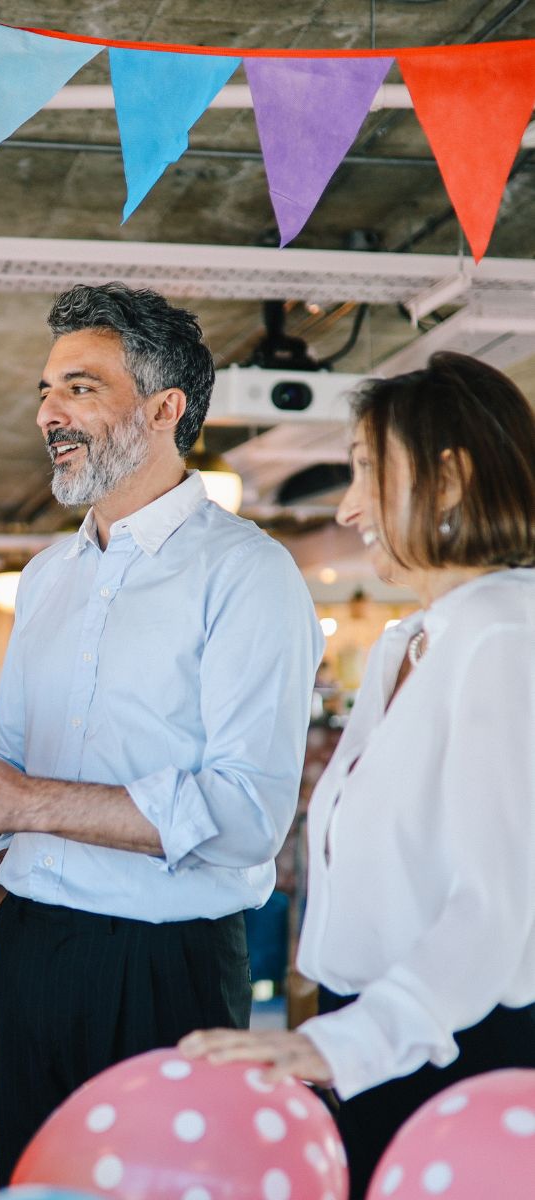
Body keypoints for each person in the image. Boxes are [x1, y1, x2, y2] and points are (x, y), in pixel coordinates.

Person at [0, 283, 324, 1181]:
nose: (47, 413)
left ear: (164, 409)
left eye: (78, 388)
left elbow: (246, 818)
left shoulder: (249, 576)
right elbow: (14, 774)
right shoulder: (44, 577)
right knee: (13, 1177)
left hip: (169, 971)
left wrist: (17, 798)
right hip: (28, 953)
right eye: (46, 391)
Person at [181, 352, 535, 1199]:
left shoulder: (502, 636)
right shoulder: (412, 642)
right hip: (377, 1032)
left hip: (451, 1044)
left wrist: (344, 1045)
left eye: (369, 473)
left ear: (449, 479)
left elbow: (503, 904)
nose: (346, 507)